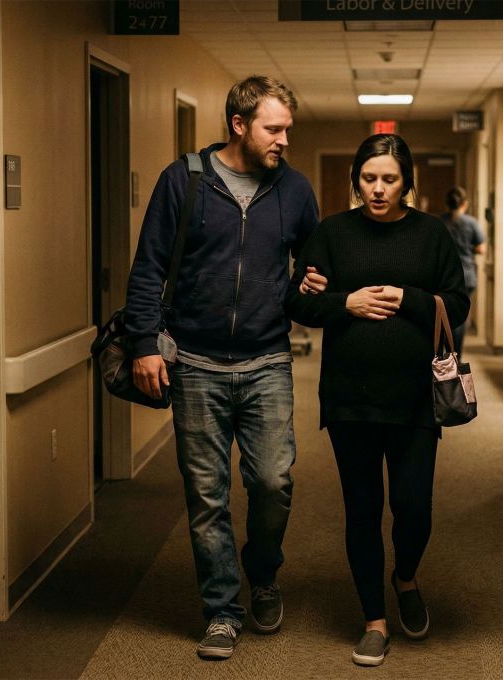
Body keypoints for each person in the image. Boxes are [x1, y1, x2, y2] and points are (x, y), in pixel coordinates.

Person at [124, 75, 319, 660]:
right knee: (206, 495)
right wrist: (143, 343)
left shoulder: (294, 189)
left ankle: (263, 572)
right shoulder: (183, 180)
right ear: (239, 124)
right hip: (196, 363)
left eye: (287, 129)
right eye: (273, 129)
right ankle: (222, 609)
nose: (284, 140)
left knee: (273, 482)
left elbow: (311, 271)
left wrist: (308, 287)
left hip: (267, 359)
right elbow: (148, 266)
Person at [285, 134, 469, 667]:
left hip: (415, 398)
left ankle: (405, 577)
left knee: (414, 508)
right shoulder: (332, 234)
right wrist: (346, 302)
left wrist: (410, 298)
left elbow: (457, 304)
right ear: (356, 180)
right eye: (369, 178)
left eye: (389, 179)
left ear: (406, 181)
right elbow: (299, 302)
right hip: (351, 397)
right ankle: (373, 620)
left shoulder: (431, 235)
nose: (379, 189)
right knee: (362, 509)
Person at [440, 186, 485, 357]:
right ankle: (456, 355)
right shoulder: (471, 223)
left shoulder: (441, 221)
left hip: (444, 276)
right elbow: (481, 248)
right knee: (460, 317)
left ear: (447, 204)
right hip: (466, 275)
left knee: (444, 314)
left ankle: (445, 352)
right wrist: (467, 248)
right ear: (464, 203)